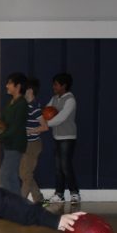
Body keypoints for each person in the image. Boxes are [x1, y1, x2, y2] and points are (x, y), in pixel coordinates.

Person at [45, 73, 79, 205]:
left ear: (64, 85)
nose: (54, 87)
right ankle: (59, 194)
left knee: (65, 166)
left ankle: (74, 193)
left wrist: (45, 125)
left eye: (56, 84)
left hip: (68, 137)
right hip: (57, 137)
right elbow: (45, 112)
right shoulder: (54, 98)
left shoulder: (70, 100)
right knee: (58, 167)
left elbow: (61, 118)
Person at [20, 77, 46, 204]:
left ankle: (20, 203)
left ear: (29, 90)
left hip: (33, 144)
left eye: (23, 89)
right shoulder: (26, 106)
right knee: (24, 174)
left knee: (26, 174)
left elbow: (44, 127)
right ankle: (39, 199)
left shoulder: (34, 107)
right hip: (26, 144)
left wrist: (28, 131)